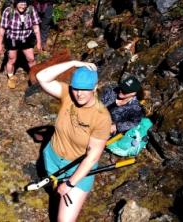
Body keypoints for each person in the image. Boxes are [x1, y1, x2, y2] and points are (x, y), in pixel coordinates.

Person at [36, 61, 111, 221]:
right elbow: (41, 77)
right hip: (52, 158)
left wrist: (70, 184)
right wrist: (73, 63)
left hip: (77, 170)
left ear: (95, 87)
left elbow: (92, 157)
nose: (79, 94)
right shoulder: (68, 95)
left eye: (85, 89)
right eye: (76, 88)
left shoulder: (101, 117)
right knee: (56, 191)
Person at [0, 0, 42, 89]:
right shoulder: (8, 11)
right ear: (16, 3)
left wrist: (39, 42)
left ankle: (34, 76)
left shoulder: (31, 10)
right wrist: (0, 45)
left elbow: (36, 27)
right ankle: (11, 77)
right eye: (21, 4)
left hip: (26, 38)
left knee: (31, 59)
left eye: (25, 4)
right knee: (12, 60)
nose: (23, 6)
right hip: (12, 38)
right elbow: (2, 29)